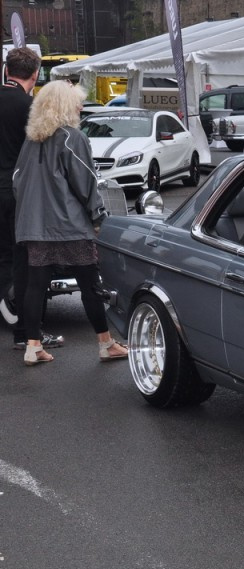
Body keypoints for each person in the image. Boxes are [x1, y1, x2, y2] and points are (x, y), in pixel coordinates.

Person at [13, 81, 128, 366]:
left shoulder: (31, 140)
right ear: (65, 106)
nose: (80, 106)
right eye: (76, 101)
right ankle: (106, 343)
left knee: (35, 285)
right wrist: (98, 216)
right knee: (90, 283)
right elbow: (86, 182)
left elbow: (17, 181)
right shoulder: (72, 137)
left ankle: (33, 346)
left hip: (34, 226)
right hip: (70, 226)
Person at [0, 47, 63, 352]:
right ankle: (26, 332)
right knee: (25, 263)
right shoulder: (31, 107)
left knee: (4, 259)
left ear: (6, 69)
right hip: (18, 193)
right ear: (36, 75)